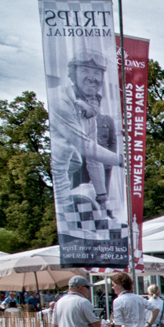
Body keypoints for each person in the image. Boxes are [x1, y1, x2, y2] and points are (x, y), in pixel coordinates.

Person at [48, 50, 124, 222]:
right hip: (61, 181)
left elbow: (93, 159)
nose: (93, 77)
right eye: (86, 71)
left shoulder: (88, 107)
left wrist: (102, 198)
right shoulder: (60, 101)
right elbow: (86, 147)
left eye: (97, 73)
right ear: (73, 74)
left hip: (71, 166)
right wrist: (122, 160)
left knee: (76, 161)